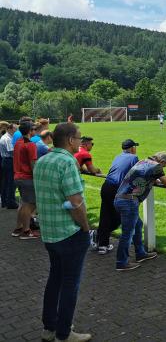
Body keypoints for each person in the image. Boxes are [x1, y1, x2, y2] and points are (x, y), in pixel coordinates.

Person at [34, 122, 93, 342]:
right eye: (79, 138)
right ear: (70, 140)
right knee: (70, 284)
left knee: (55, 279)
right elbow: (76, 202)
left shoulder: (43, 160)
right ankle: (64, 333)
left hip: (49, 232)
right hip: (69, 234)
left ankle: (50, 327)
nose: (80, 141)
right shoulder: (67, 162)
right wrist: (86, 228)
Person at [114, 152, 166, 271]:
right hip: (129, 201)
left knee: (138, 225)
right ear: (162, 162)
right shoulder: (157, 166)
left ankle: (140, 253)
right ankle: (121, 262)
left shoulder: (143, 161)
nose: (163, 168)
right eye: (165, 166)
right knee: (127, 234)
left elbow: (145, 177)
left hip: (120, 198)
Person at [96, 139, 139, 255]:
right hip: (116, 189)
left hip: (106, 186)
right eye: (135, 147)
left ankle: (102, 245)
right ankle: (98, 235)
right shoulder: (134, 158)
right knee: (118, 217)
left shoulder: (117, 156)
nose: (135, 149)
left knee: (105, 216)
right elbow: (137, 173)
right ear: (131, 148)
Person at [13, 120, 39, 240]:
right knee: (29, 204)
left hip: (18, 177)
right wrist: (38, 178)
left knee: (23, 203)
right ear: (29, 131)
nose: (35, 131)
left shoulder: (18, 142)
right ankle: (26, 231)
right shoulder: (31, 144)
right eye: (33, 129)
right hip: (27, 178)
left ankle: (18, 228)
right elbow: (33, 163)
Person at [1, 123, 18, 209]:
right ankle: (10, 202)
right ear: (10, 129)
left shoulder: (6, 137)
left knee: (6, 182)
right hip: (9, 161)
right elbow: (11, 151)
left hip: (6, 161)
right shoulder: (7, 138)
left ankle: (5, 201)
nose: (17, 131)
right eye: (15, 129)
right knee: (10, 182)